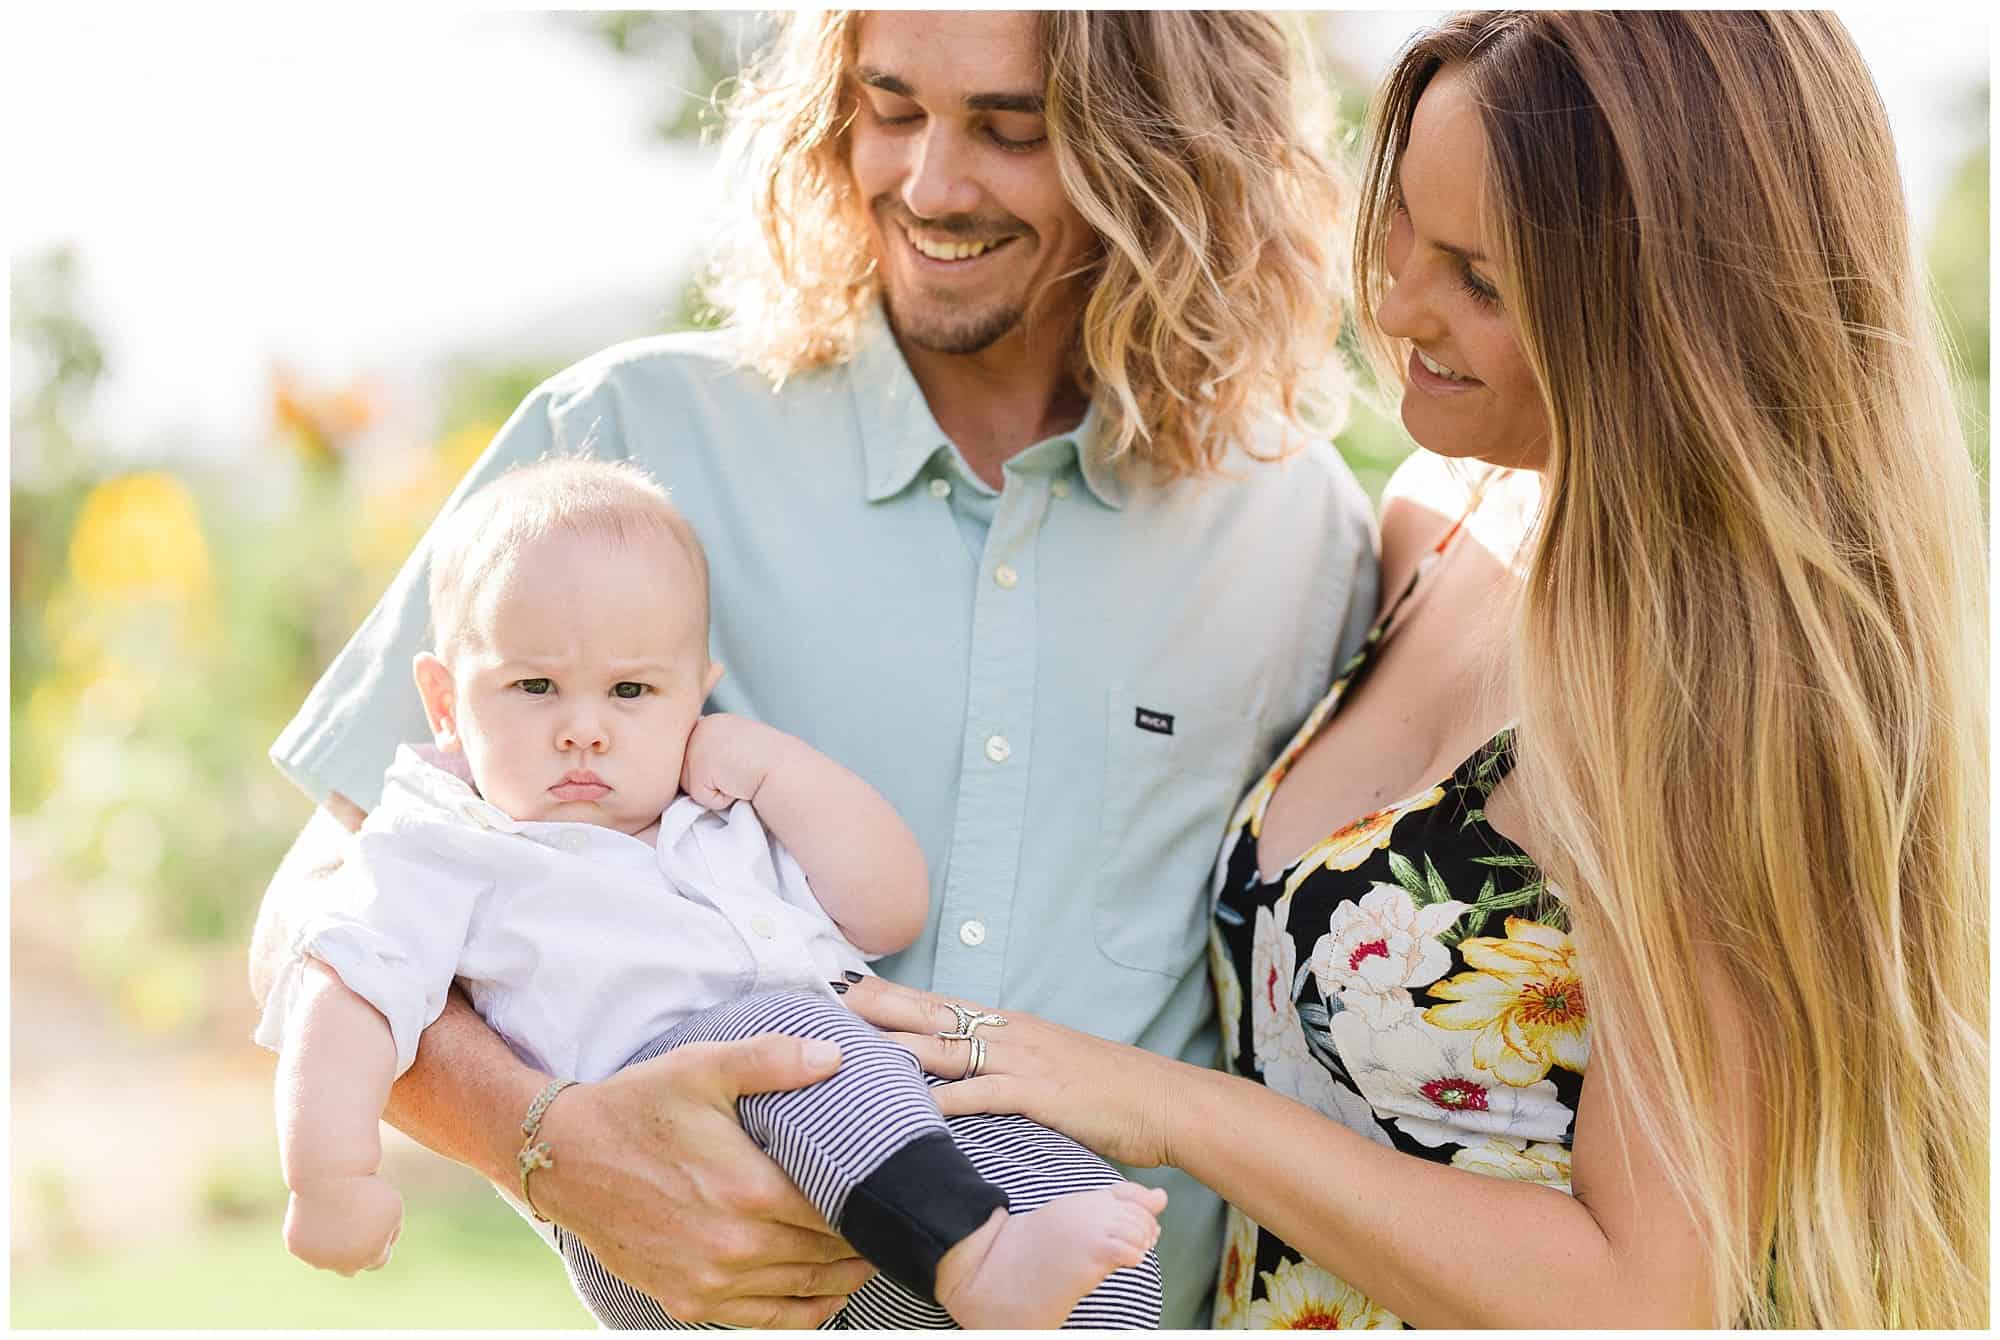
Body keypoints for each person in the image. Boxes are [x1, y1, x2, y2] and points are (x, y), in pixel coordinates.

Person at [843, 9, 1990, 1329]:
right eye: (1403, 228)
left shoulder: (1730, 695)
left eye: (1481, 280)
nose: (1395, 305)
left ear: (1676, 312)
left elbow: (1641, 1296)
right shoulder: (1429, 529)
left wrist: (1158, 1105)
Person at [248, 10, 1378, 1329]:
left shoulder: (1292, 528)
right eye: (889, 109)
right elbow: (319, 913)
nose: (931, 184)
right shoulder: (617, 449)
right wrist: (549, 1146)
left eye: (1011, 129)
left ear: (1169, 153)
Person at [259, 458, 1167, 1328]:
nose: (585, 729)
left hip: (866, 1179)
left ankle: (1026, 1286)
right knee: (798, 1044)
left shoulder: (720, 816)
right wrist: (329, 1177)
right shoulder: (444, 845)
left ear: (696, 696)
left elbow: (886, 914)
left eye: (630, 690)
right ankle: (979, 1261)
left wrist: (782, 772)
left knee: (1063, 1179)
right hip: (668, 1180)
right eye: (534, 686)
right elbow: (345, 987)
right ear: (447, 701)